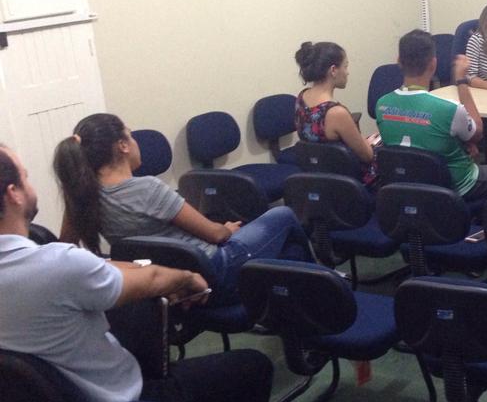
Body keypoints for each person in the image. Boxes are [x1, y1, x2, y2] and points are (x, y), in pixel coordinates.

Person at [0, 145, 273, 402]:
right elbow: (151, 278)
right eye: (26, 177)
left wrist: (145, 274)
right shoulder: (58, 264)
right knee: (254, 366)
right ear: (13, 194)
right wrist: (186, 278)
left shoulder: (53, 264)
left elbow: (101, 267)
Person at [53, 113, 314, 304]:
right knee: (283, 215)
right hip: (217, 269)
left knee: (291, 253)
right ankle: (321, 298)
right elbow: (215, 235)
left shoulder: (81, 197)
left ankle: (298, 306)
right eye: (130, 136)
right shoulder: (147, 188)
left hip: (167, 283)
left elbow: (64, 250)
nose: (134, 142)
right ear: (122, 146)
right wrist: (227, 229)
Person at [375, 29, 487, 200]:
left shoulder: (381, 105)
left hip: (405, 184)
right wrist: (461, 82)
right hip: (455, 187)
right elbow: (477, 132)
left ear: (398, 61)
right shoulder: (448, 109)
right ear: (433, 64)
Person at [293, 40, 378, 185]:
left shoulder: (301, 98)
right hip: (347, 183)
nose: (347, 72)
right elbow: (367, 156)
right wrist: (370, 144)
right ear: (333, 70)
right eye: (345, 66)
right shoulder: (335, 112)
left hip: (318, 176)